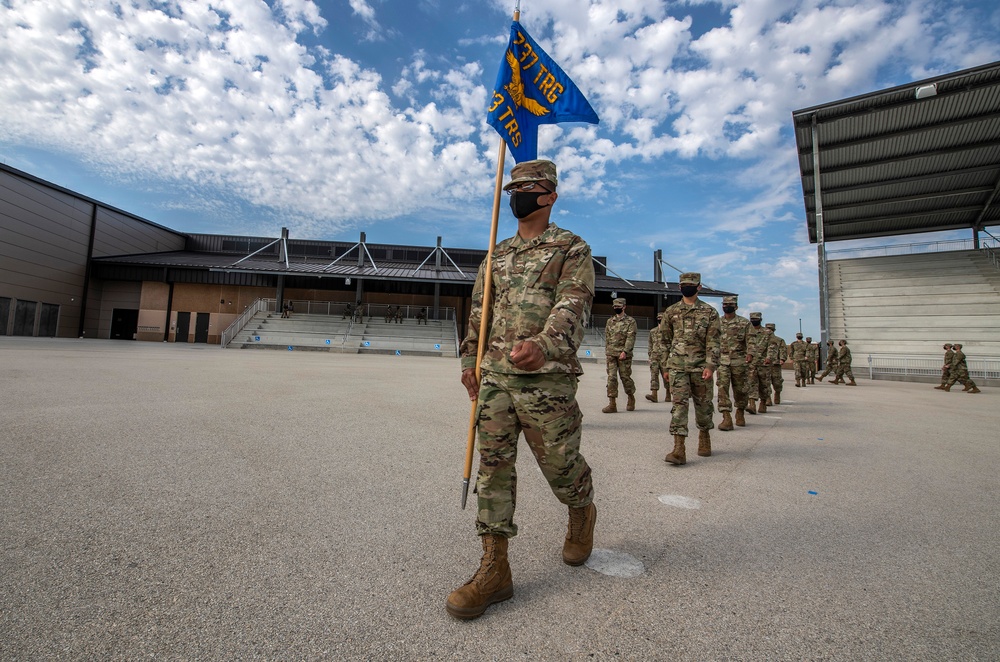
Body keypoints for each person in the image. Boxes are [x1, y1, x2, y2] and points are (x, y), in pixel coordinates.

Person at [448, 159, 596, 620]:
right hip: (494, 379)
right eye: (512, 188)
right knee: (492, 470)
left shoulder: (571, 248)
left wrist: (545, 344)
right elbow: (478, 312)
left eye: (527, 188)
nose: (517, 195)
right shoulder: (497, 254)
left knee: (560, 466)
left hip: (545, 380)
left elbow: (574, 304)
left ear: (549, 195)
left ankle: (581, 510)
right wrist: (469, 361)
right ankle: (496, 569)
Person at [660, 272, 721, 464]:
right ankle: (679, 449)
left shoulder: (709, 312)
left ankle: (704, 435)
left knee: (703, 407)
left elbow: (714, 342)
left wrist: (711, 365)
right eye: (684, 284)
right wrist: (665, 367)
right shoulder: (671, 312)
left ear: (699, 287)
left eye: (691, 284)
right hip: (678, 367)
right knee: (679, 406)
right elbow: (664, 340)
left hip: (701, 367)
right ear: (679, 287)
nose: (687, 287)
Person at [716, 295, 750, 430]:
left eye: (730, 304)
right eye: (724, 304)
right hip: (722, 361)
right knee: (722, 387)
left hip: (739, 360)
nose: (726, 307)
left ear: (736, 307)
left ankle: (740, 411)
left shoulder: (744, 323)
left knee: (740, 389)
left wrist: (751, 354)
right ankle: (726, 417)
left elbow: (751, 340)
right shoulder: (717, 322)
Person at [602, 297, 637, 413]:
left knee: (625, 377)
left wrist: (625, 351)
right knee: (611, 378)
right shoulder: (610, 321)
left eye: (619, 307)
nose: (616, 308)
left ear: (624, 307)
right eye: (615, 307)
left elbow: (630, 337)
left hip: (624, 354)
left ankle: (631, 397)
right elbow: (607, 337)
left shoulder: (630, 321)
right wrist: (607, 351)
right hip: (611, 353)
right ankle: (612, 404)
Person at [745, 312, 769, 414]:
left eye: (756, 319)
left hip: (763, 362)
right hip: (750, 363)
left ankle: (763, 402)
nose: (754, 320)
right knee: (751, 383)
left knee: (764, 384)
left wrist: (769, 357)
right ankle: (752, 404)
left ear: (760, 319)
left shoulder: (767, 332)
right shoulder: (747, 331)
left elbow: (772, 346)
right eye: (752, 319)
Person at [645, 313, 669, 403]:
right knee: (654, 375)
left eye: (661, 318)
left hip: (665, 357)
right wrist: (650, 356)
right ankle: (654, 394)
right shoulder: (653, 331)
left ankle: (668, 394)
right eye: (658, 317)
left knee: (666, 376)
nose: (659, 319)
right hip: (654, 356)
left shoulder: (669, 331)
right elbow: (650, 344)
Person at [764, 323, 786, 404]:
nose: (769, 331)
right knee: (766, 381)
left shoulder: (779, 340)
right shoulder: (761, 339)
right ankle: (767, 398)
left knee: (777, 381)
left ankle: (777, 393)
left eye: (771, 329)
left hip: (775, 364)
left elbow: (783, 350)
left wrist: (782, 359)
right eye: (767, 329)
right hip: (764, 364)